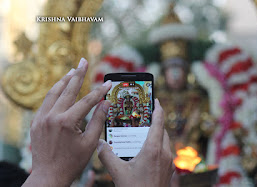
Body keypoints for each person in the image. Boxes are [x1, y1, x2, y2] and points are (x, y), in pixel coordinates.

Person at [22, 58, 175, 187]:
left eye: (130, 104)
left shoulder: (136, 117)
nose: (128, 106)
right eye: (125, 104)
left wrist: (45, 175)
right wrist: (48, 174)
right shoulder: (118, 118)